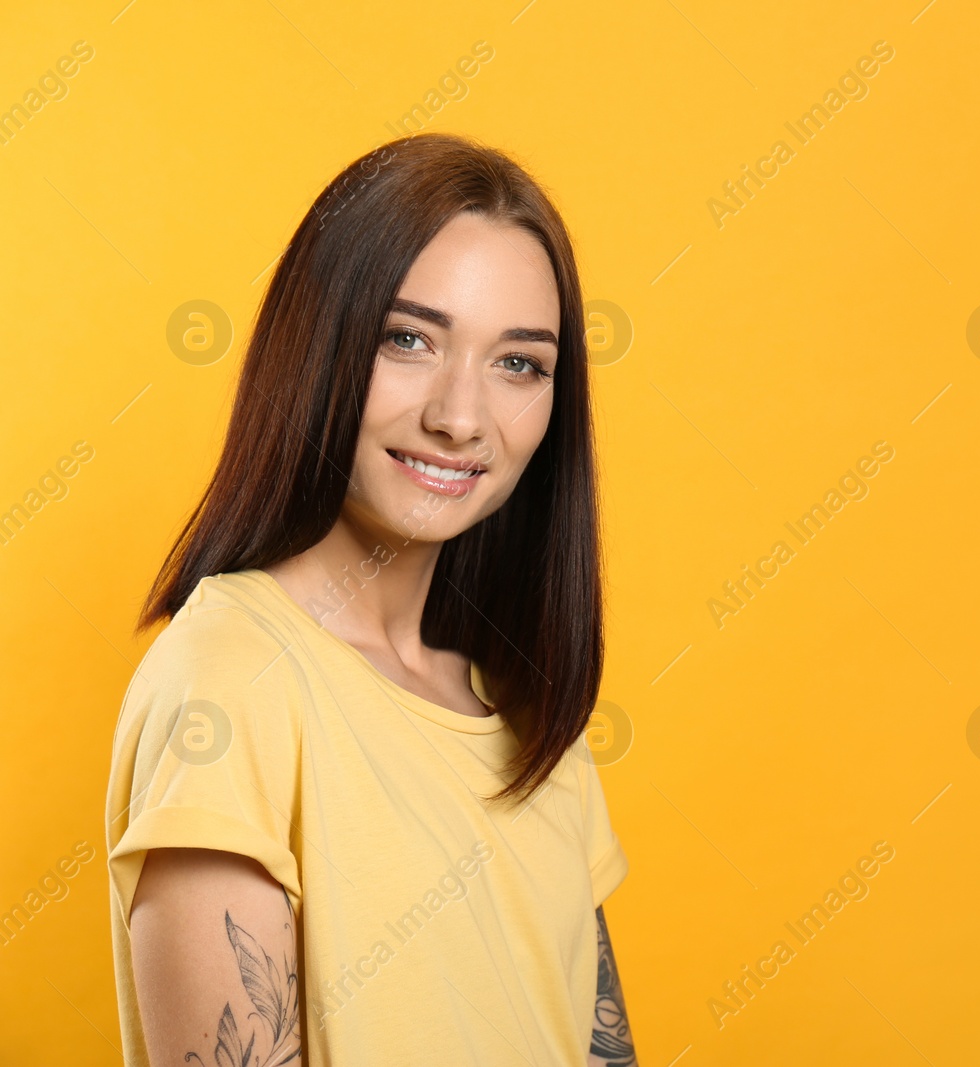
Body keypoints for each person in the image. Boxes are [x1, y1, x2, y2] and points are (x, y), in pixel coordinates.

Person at [104, 132, 636, 1066]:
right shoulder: (231, 682)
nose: (460, 416)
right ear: (318, 343)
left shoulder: (532, 714)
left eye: (519, 363)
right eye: (408, 339)